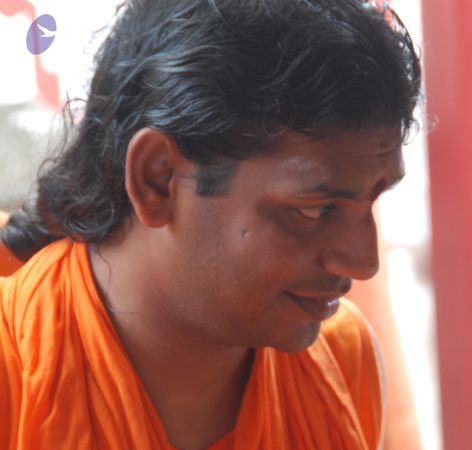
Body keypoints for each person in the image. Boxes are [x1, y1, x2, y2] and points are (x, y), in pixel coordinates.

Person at [0, 0, 421, 448]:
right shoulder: (15, 368)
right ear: (158, 179)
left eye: (373, 199)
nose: (364, 264)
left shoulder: (340, 358)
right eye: (315, 210)